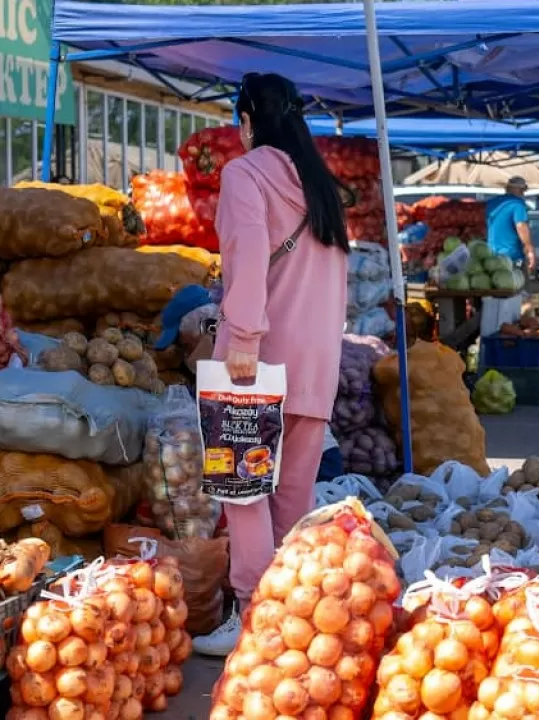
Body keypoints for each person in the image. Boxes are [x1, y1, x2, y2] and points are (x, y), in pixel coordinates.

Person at [191, 72, 348, 656]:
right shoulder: (322, 187)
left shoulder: (244, 175)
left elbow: (249, 254)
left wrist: (245, 340)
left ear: (248, 121)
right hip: (316, 361)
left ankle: (255, 616)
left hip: (254, 359)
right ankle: (290, 619)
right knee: (292, 497)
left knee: (242, 490)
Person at [485, 176, 536, 272]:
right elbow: (521, 226)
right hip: (511, 257)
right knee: (519, 285)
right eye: (522, 190)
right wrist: (530, 251)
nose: (523, 193)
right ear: (517, 189)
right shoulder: (517, 204)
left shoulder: (492, 203)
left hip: (491, 256)